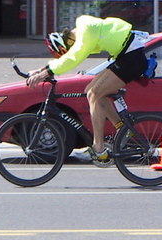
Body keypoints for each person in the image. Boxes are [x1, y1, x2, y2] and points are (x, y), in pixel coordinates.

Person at [26, 15, 148, 162]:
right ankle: (122, 129)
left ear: (70, 41)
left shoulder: (86, 33)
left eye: (67, 49)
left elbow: (74, 57)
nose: (71, 50)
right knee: (90, 91)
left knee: (94, 94)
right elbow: (71, 55)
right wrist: (41, 70)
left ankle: (98, 147)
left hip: (131, 57)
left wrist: (46, 73)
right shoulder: (84, 30)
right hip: (125, 56)